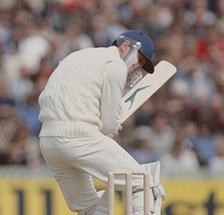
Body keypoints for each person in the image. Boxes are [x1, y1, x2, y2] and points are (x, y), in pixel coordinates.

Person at [38, 30, 165, 214]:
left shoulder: (77, 56)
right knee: (144, 183)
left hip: (49, 142)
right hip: (80, 137)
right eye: (140, 59)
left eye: (143, 64)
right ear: (125, 46)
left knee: (89, 207)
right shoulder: (115, 66)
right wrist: (113, 125)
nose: (139, 66)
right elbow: (109, 124)